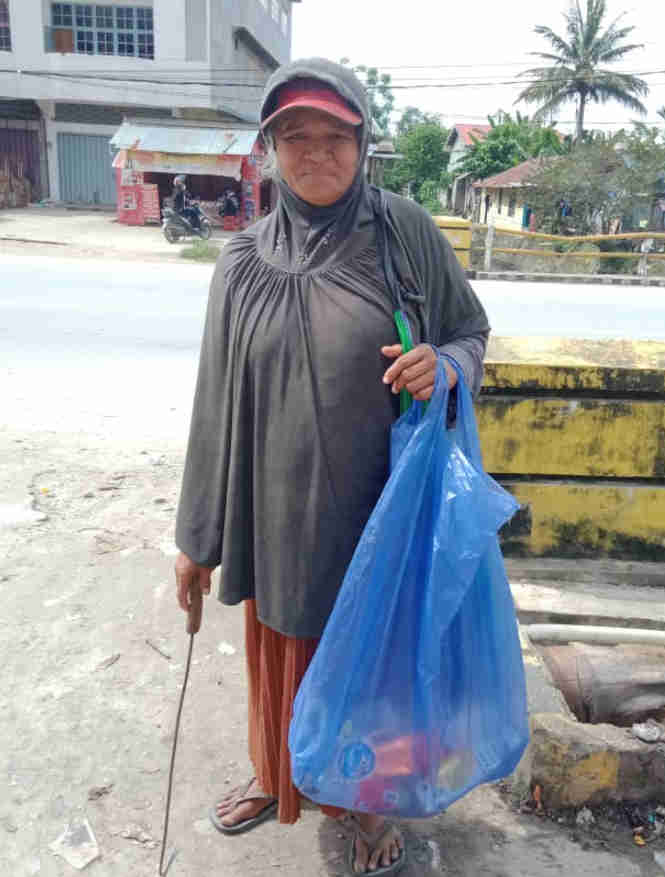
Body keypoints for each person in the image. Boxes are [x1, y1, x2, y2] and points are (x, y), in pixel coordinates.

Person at [173, 58, 491, 876]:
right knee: (282, 656)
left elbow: (470, 332)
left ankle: (366, 806)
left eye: (335, 137)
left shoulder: (404, 231)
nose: (316, 154)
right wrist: (196, 538)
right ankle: (280, 777)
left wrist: (444, 367)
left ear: (362, 143)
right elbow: (215, 404)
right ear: (270, 149)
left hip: (377, 516)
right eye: (295, 137)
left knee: (376, 671)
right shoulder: (240, 260)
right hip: (274, 516)